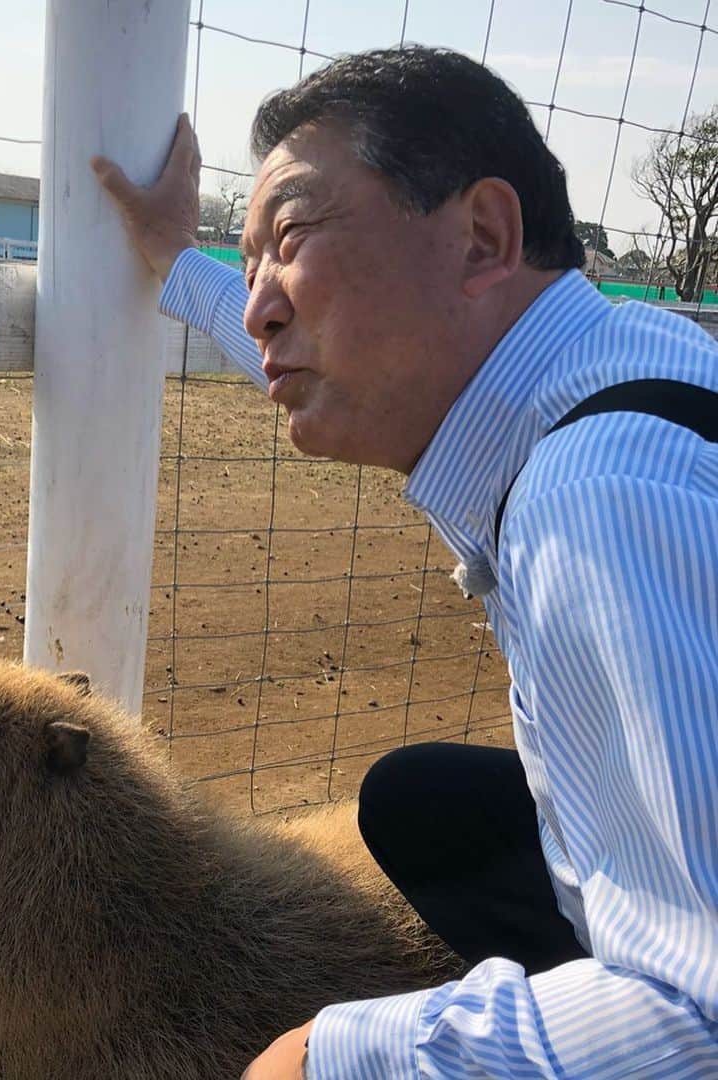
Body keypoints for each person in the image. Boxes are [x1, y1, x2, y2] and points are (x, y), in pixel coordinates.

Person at [92, 47, 717, 1079]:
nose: (259, 306)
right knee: (421, 803)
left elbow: (700, 1016)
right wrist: (177, 264)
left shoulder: (593, 505)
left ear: (481, 236)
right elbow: (316, 357)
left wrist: (330, 1056)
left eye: (291, 236)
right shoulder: (622, 360)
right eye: (248, 264)